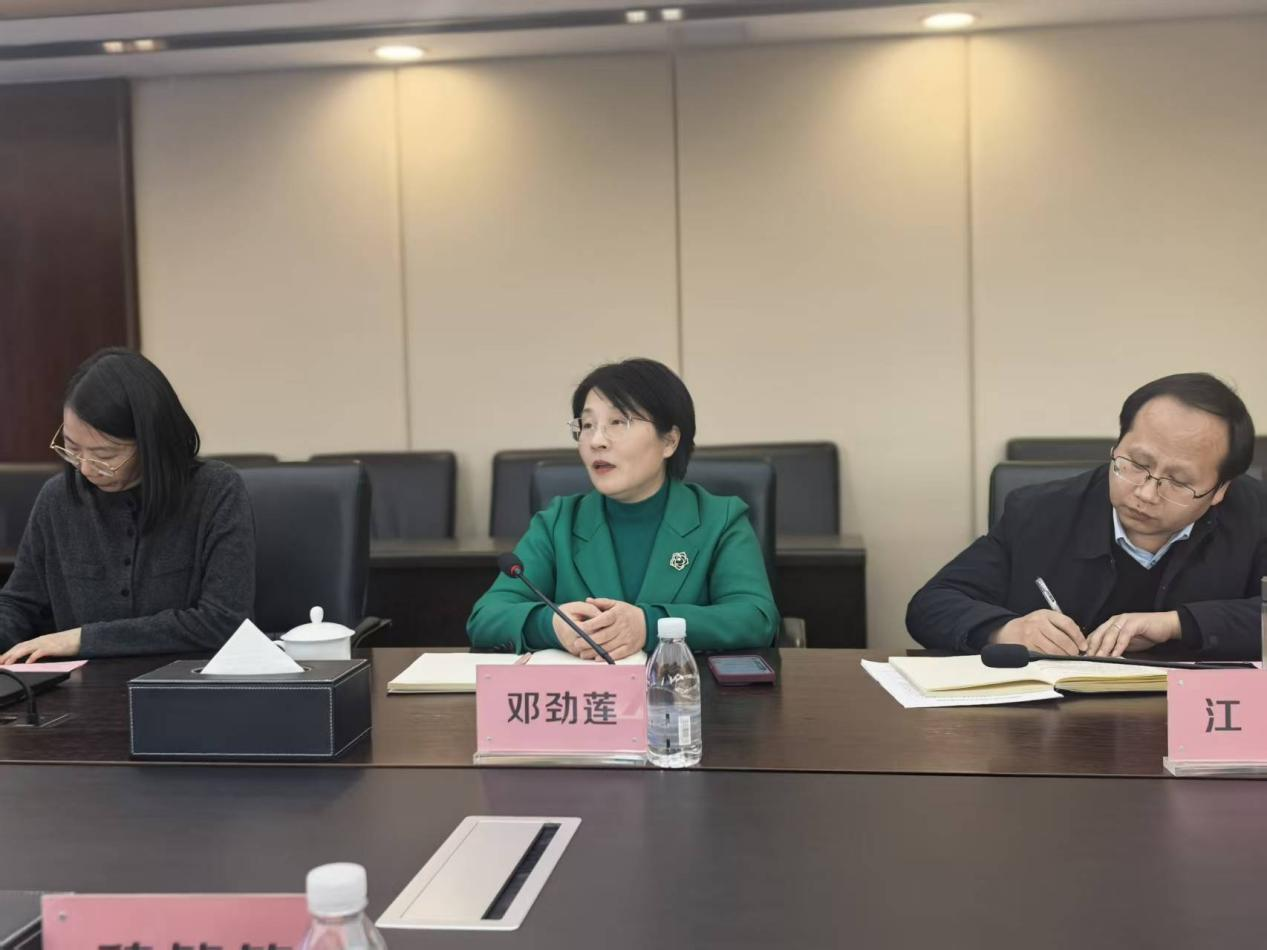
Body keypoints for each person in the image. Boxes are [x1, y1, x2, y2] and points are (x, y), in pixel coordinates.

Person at [907, 373, 1267, 660]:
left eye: (1178, 481)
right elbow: (931, 605)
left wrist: (1178, 624)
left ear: (1220, 490)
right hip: (1060, 719)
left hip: (1197, 717)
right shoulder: (1040, 512)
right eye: (1136, 463)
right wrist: (1004, 630)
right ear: (1116, 446)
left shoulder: (1256, 515)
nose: (1145, 493)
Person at [468, 358, 779, 658]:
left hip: (684, 690)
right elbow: (486, 616)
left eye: (618, 422)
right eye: (587, 425)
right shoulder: (558, 523)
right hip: (585, 693)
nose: (596, 441)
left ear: (669, 441)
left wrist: (649, 626)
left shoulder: (720, 520)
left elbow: (755, 618)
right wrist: (552, 626)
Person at [0, 348, 255, 661]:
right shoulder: (57, 498)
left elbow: (223, 621)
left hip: (185, 681)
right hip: (80, 686)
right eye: (72, 448)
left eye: (104, 456)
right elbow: (19, 605)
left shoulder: (216, 490)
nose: (86, 468)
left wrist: (82, 639)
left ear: (152, 443)